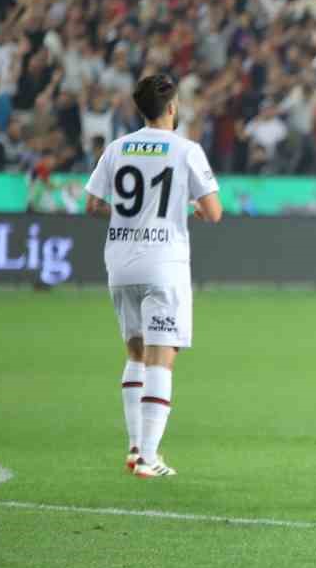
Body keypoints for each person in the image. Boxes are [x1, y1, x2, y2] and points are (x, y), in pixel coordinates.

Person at [84, 72, 222, 479]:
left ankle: (133, 449)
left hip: (121, 263)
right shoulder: (186, 150)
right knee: (162, 357)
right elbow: (214, 212)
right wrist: (185, 212)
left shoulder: (117, 148)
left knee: (135, 354)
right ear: (173, 107)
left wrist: (126, 216)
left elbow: (92, 204)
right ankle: (149, 456)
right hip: (164, 263)